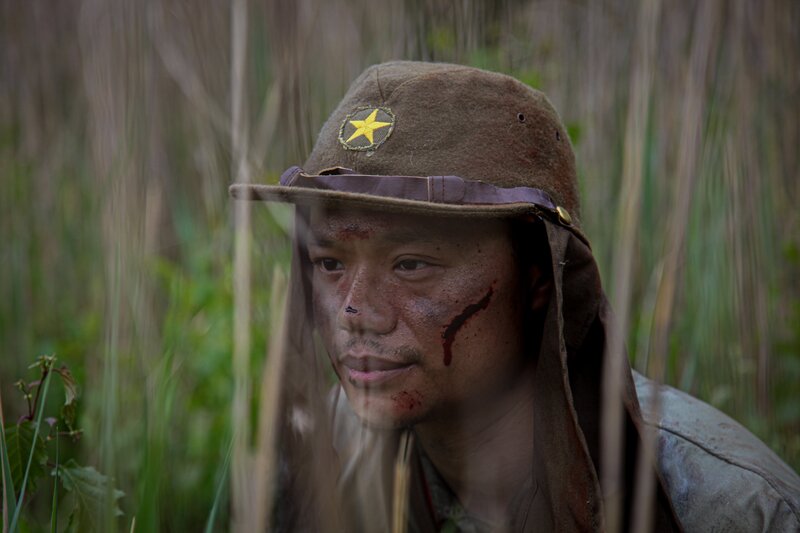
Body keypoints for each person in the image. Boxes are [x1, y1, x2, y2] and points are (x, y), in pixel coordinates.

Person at [231, 61, 800, 532]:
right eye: (330, 263)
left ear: (538, 277)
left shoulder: (730, 507)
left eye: (411, 265)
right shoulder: (319, 454)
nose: (355, 312)